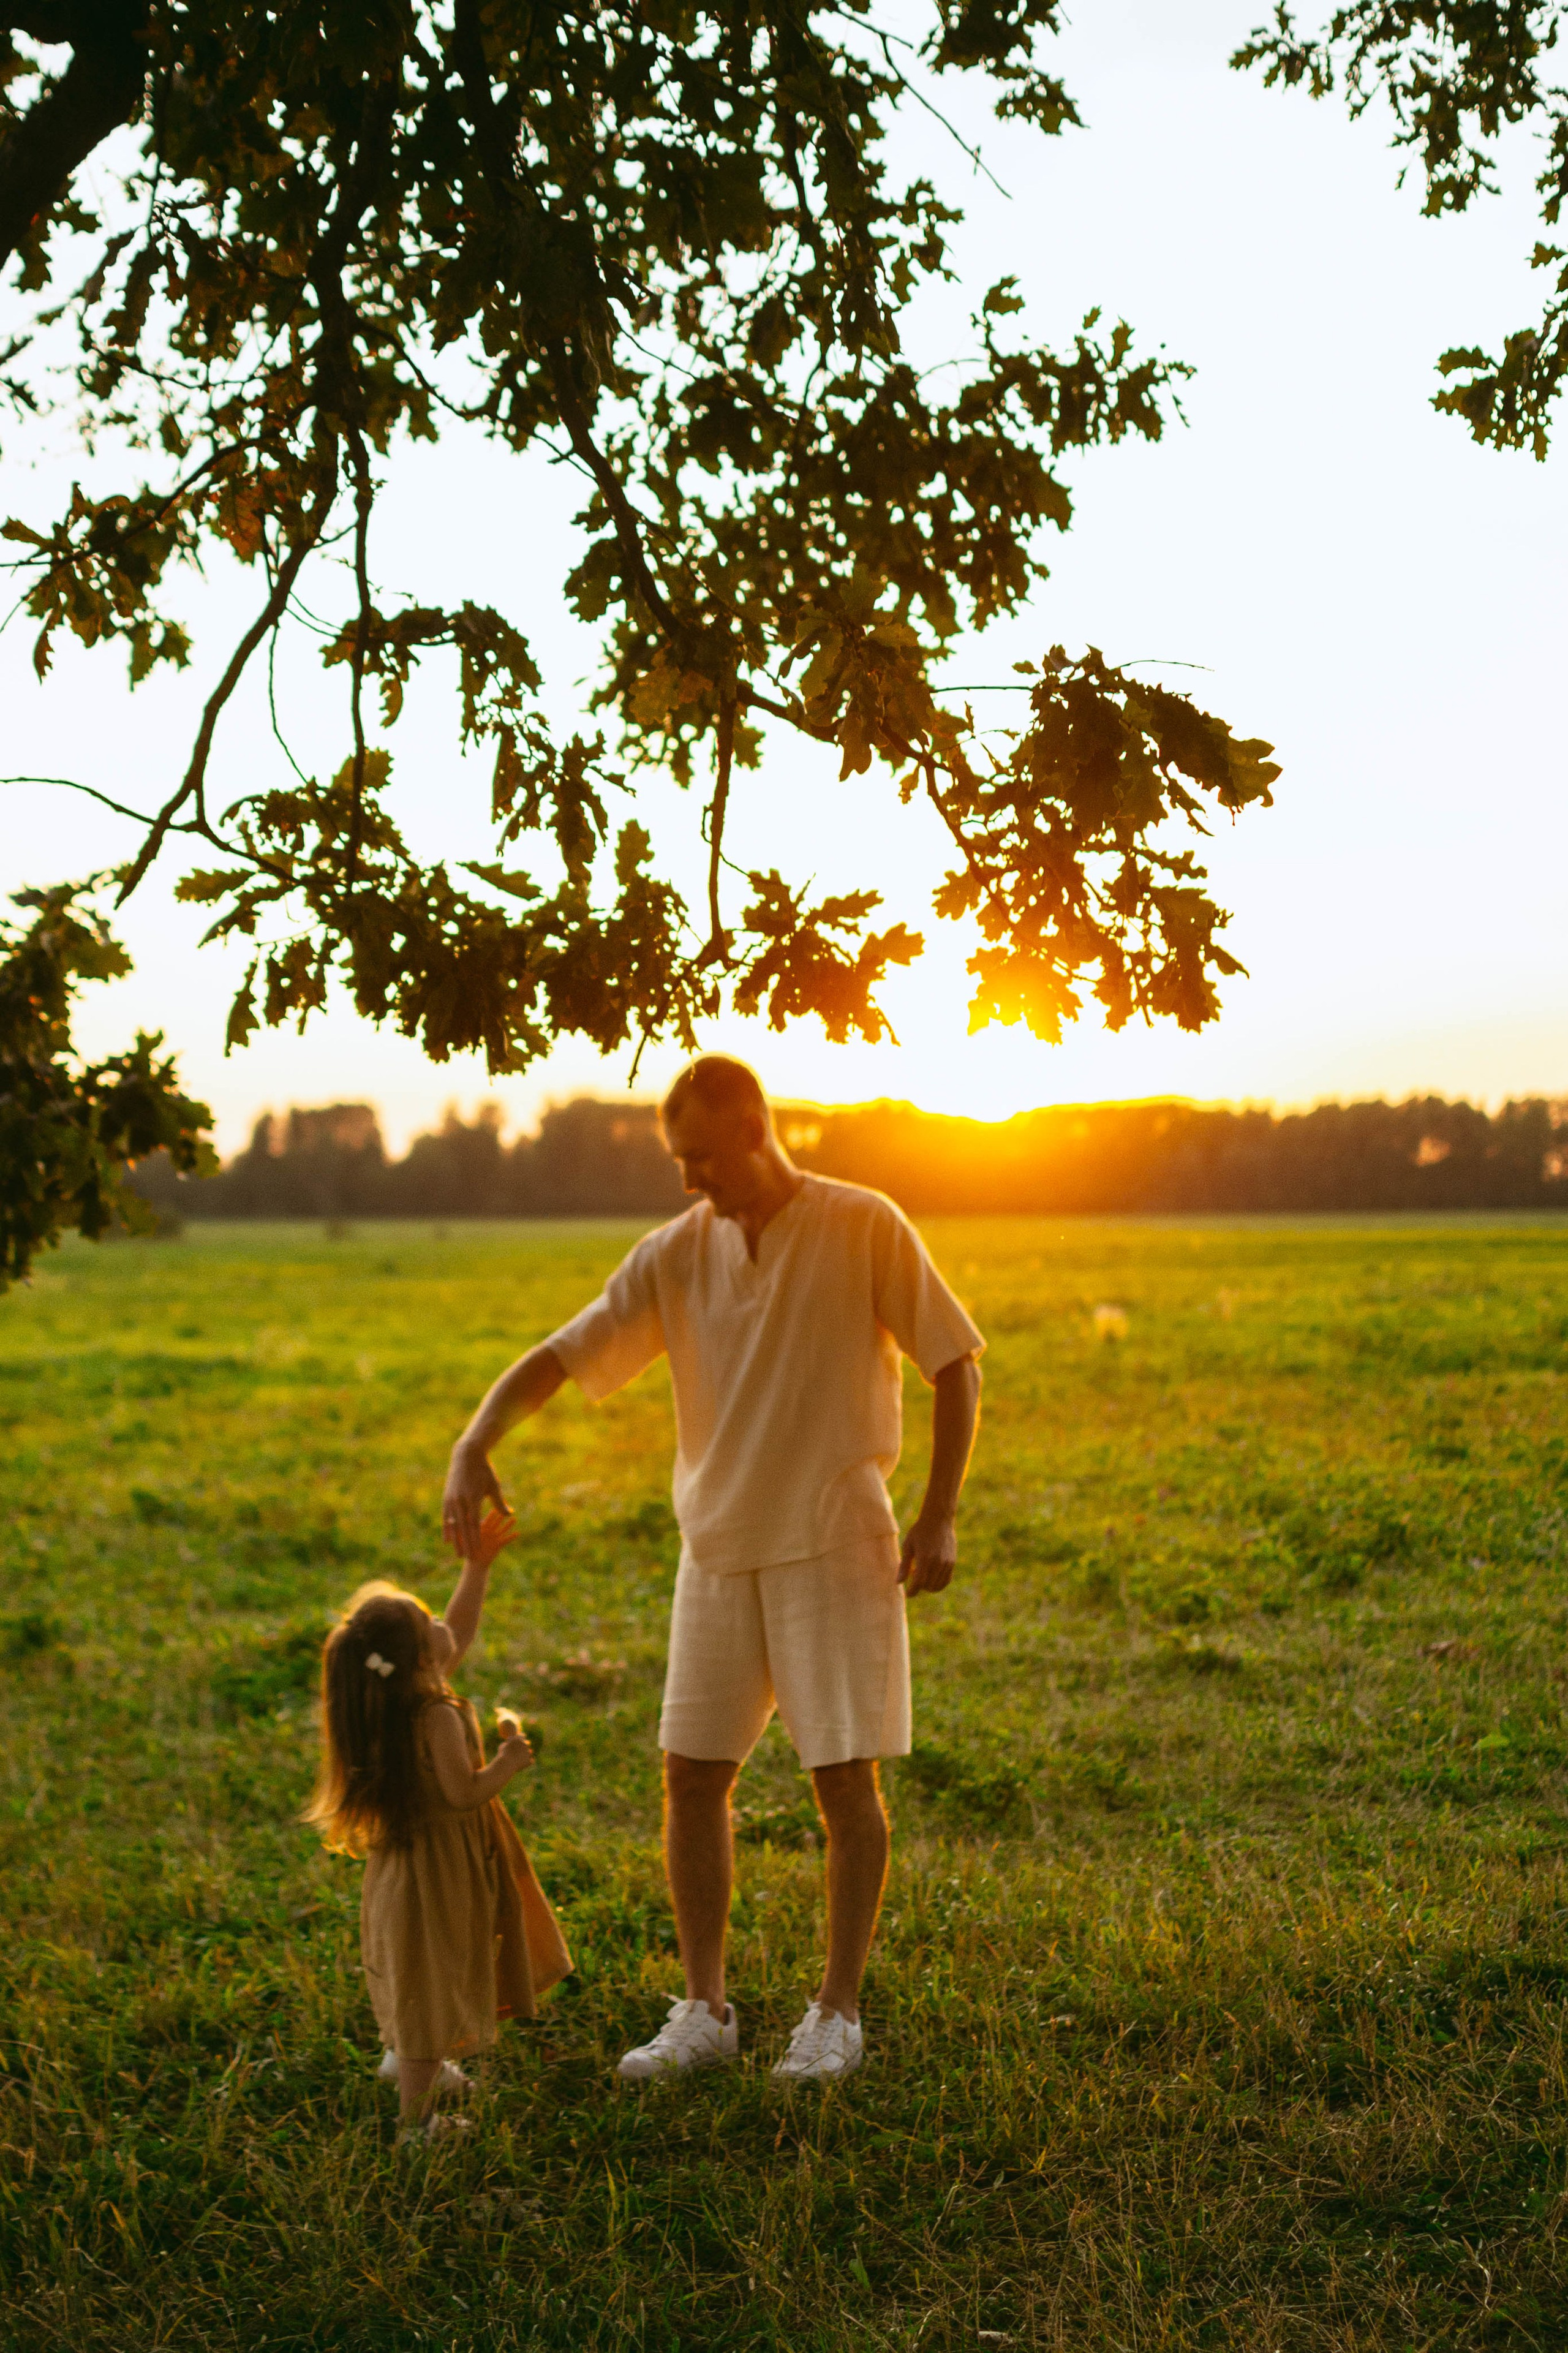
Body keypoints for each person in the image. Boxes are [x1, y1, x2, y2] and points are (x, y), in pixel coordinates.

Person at [442, 1056, 983, 2084]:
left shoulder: (865, 1223)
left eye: (698, 1156)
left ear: (752, 1129)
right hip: (718, 1552)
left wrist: (940, 1513)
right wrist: (476, 1438)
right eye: (676, 1160)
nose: (687, 1178)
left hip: (836, 1541)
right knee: (692, 1775)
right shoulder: (673, 1256)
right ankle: (705, 2009)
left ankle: (836, 2015)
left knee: (843, 1780)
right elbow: (565, 1352)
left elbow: (956, 1362)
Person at [303, 1508, 571, 2139]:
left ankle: (411, 2058)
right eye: (432, 1625)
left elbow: (462, 1627)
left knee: (419, 1969)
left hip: (404, 1868)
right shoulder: (437, 1714)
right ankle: (416, 2125)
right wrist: (509, 1761)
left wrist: (477, 1567)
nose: (444, 1626)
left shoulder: (391, 1702)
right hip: (443, 1867)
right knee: (436, 1970)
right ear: (425, 1656)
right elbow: (461, 1793)